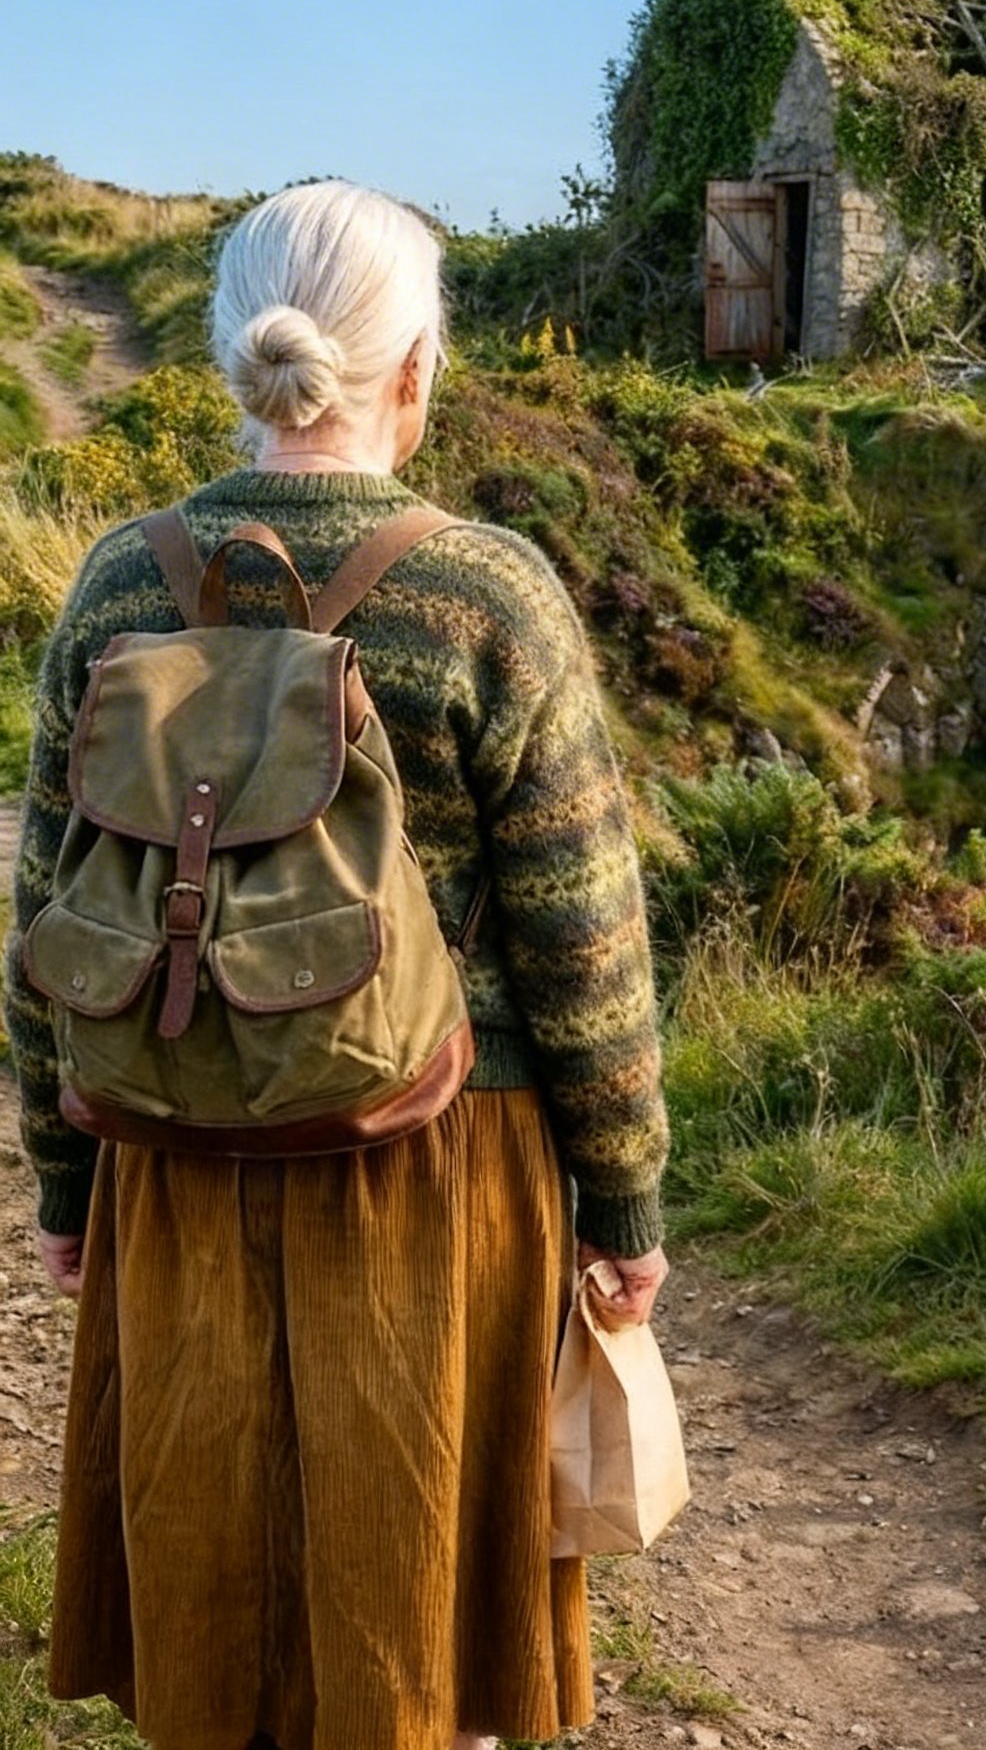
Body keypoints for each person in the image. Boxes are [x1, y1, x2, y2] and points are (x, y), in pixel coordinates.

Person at [3, 179, 670, 1750]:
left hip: (173, 1139)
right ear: (417, 373)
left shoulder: (115, 581)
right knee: (414, 1576)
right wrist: (624, 1201)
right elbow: (585, 932)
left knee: (211, 1568)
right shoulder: (489, 591)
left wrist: (60, 1187)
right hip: (442, 1159)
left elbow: (49, 917)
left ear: (240, 358)